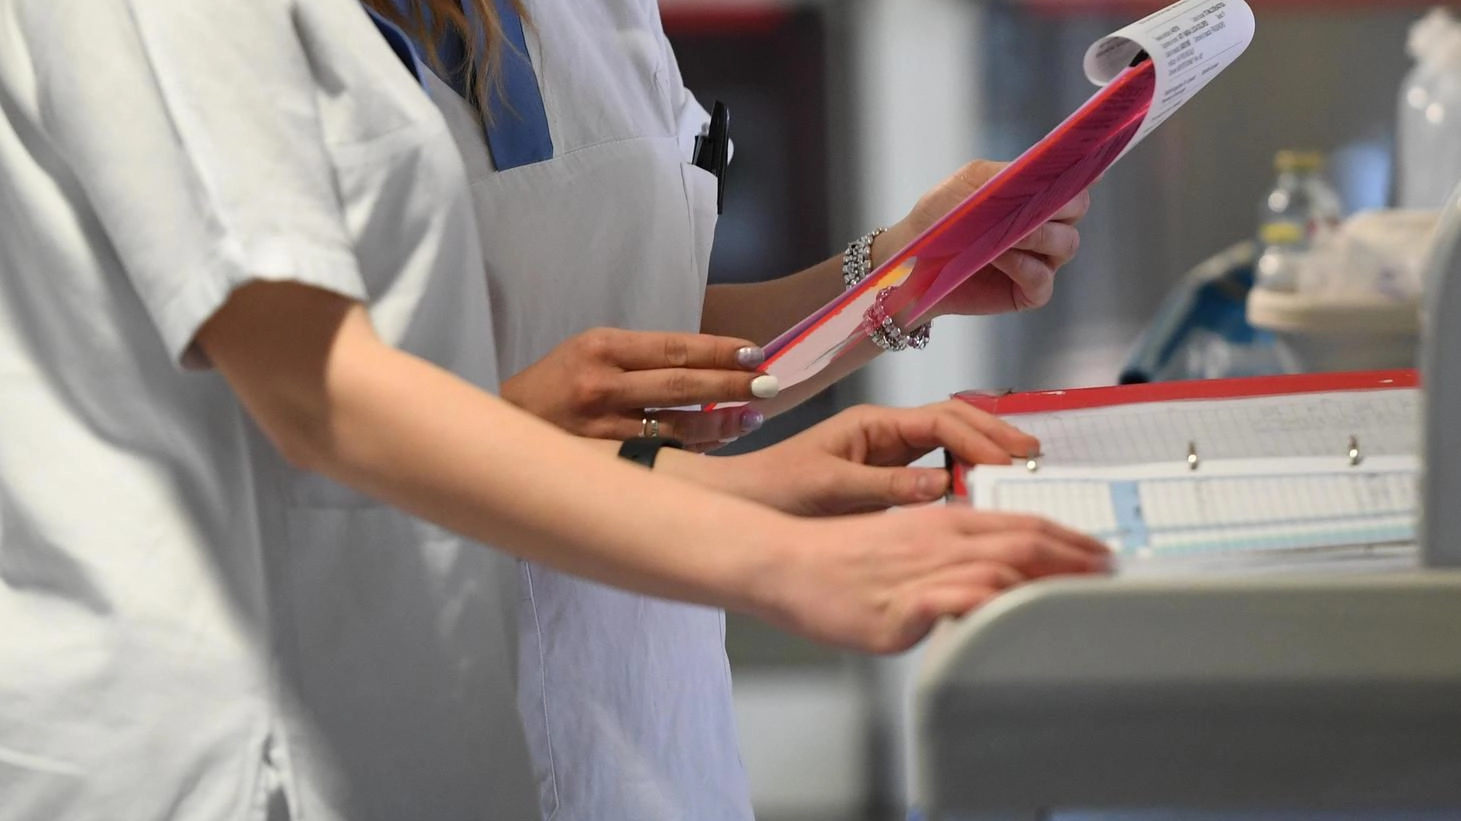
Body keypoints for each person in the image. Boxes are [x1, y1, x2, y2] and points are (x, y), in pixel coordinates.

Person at [0, 1, 1107, 819]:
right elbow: (319, 386)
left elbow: (615, 338)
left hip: (620, 723)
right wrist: (768, 546)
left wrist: (890, 284)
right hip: (264, 737)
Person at [362, 1, 1094, 819]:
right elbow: (312, 432)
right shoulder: (264, 40)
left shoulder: (599, 16)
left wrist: (902, 276)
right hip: (409, 710)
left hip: (654, 716)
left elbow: (655, 336)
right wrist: (770, 531)